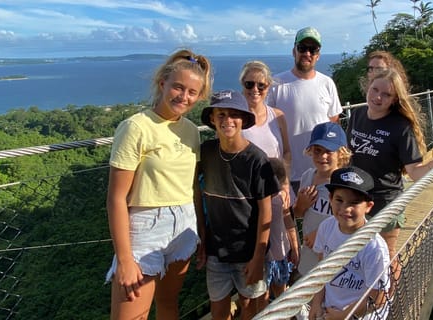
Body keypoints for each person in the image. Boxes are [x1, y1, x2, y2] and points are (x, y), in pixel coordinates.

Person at [105, 49, 212, 320]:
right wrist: (126, 260)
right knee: (132, 315)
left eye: (192, 92)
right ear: (162, 83)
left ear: (199, 97)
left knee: (168, 305)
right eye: (178, 87)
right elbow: (116, 198)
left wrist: (201, 229)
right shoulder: (136, 127)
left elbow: (193, 187)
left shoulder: (190, 130)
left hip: (184, 225)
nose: (183, 96)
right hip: (145, 227)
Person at [347, 68, 433, 266]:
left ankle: (389, 297)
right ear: (368, 87)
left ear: (394, 100)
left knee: (385, 256)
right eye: (375, 90)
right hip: (357, 200)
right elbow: (349, 156)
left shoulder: (400, 127)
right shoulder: (357, 115)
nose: (378, 97)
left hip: (385, 203)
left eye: (387, 94)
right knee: (359, 256)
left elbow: (415, 172)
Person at [196, 90, 280, 320]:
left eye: (234, 114)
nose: (227, 120)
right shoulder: (207, 152)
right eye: (221, 114)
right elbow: (196, 192)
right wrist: (202, 235)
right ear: (212, 119)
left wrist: (258, 257)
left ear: (244, 120)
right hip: (216, 249)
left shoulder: (256, 159)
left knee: (251, 308)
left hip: (248, 250)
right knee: (218, 310)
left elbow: (265, 211)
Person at [309, 166, 390, 320]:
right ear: (330, 199)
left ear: (368, 206)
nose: (346, 208)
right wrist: (316, 302)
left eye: (354, 203)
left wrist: (343, 316)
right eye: (339, 200)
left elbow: (378, 296)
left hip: (358, 315)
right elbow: (320, 270)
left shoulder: (373, 246)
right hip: (330, 310)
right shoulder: (326, 228)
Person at [269, 26, 343, 191]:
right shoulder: (276, 84)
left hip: (321, 173)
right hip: (287, 175)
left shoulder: (327, 83)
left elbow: (333, 122)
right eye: (302, 48)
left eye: (313, 49)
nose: (307, 53)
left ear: (318, 55)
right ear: (294, 51)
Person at [292, 122, 352, 277]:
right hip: (309, 255)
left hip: (333, 255)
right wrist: (301, 205)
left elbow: (348, 221)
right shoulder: (307, 177)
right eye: (318, 151)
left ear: (341, 153)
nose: (322, 156)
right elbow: (298, 214)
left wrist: (320, 234)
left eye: (329, 151)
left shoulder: (345, 184)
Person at [240, 61, 292, 173]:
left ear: (268, 86)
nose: (255, 89)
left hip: (277, 185)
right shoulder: (234, 119)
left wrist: (285, 180)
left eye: (261, 85)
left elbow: (286, 152)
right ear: (242, 84)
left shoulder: (277, 116)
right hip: (246, 187)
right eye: (250, 84)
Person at [264, 157, 300, 300]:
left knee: (280, 292)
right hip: (264, 256)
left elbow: (288, 221)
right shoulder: (259, 199)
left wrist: (295, 246)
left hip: (281, 253)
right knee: (263, 296)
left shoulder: (282, 197)